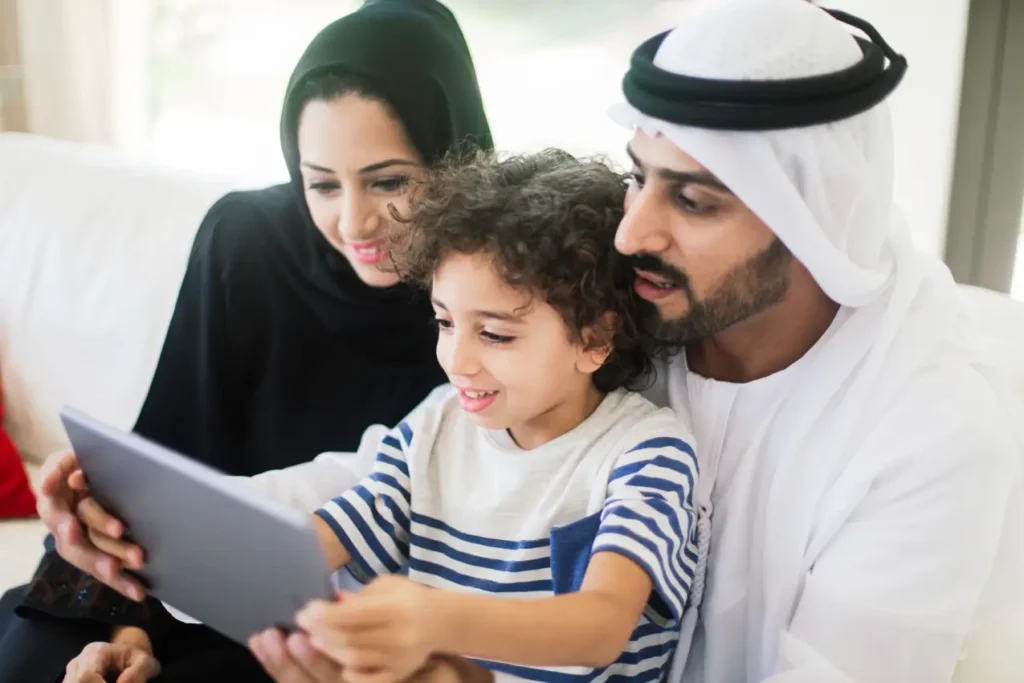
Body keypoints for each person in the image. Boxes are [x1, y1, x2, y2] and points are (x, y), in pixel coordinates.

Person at [32, 1, 1024, 682]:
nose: (631, 232)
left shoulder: (925, 440)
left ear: (809, 216)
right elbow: (354, 487)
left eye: (693, 198)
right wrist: (145, 532)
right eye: (638, 176)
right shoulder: (629, 314)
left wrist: (444, 647)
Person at [0, 1, 492, 682]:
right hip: (185, 598)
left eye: (389, 181)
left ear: (453, 157)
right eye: (321, 184)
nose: (353, 222)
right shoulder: (250, 242)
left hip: (356, 633)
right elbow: (176, 459)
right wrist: (130, 634)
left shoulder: (499, 287)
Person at [250, 149, 700, 683]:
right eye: (444, 322)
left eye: (494, 333)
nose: (457, 361)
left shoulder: (646, 452)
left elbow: (601, 626)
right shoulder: (434, 430)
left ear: (594, 339)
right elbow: (320, 540)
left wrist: (433, 620)